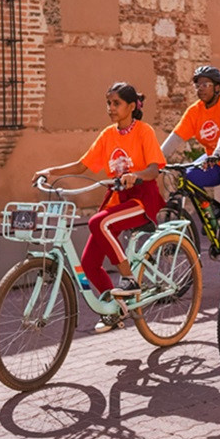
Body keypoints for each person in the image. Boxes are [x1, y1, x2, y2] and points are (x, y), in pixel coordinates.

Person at [32, 83, 166, 333]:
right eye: (108, 103)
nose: (111, 108)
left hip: (141, 198)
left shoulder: (144, 132)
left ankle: (128, 280)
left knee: (97, 222)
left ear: (130, 106)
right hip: (117, 199)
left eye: (116, 103)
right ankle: (115, 310)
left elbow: (154, 169)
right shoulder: (107, 134)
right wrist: (50, 171)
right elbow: (82, 165)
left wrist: (134, 175)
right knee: (89, 263)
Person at [160, 65, 220, 277]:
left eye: (205, 84)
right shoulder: (194, 111)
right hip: (215, 161)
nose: (200, 89)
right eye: (197, 85)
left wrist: (218, 154)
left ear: (217, 87)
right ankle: (210, 214)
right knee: (188, 177)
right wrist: (155, 159)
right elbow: (176, 137)